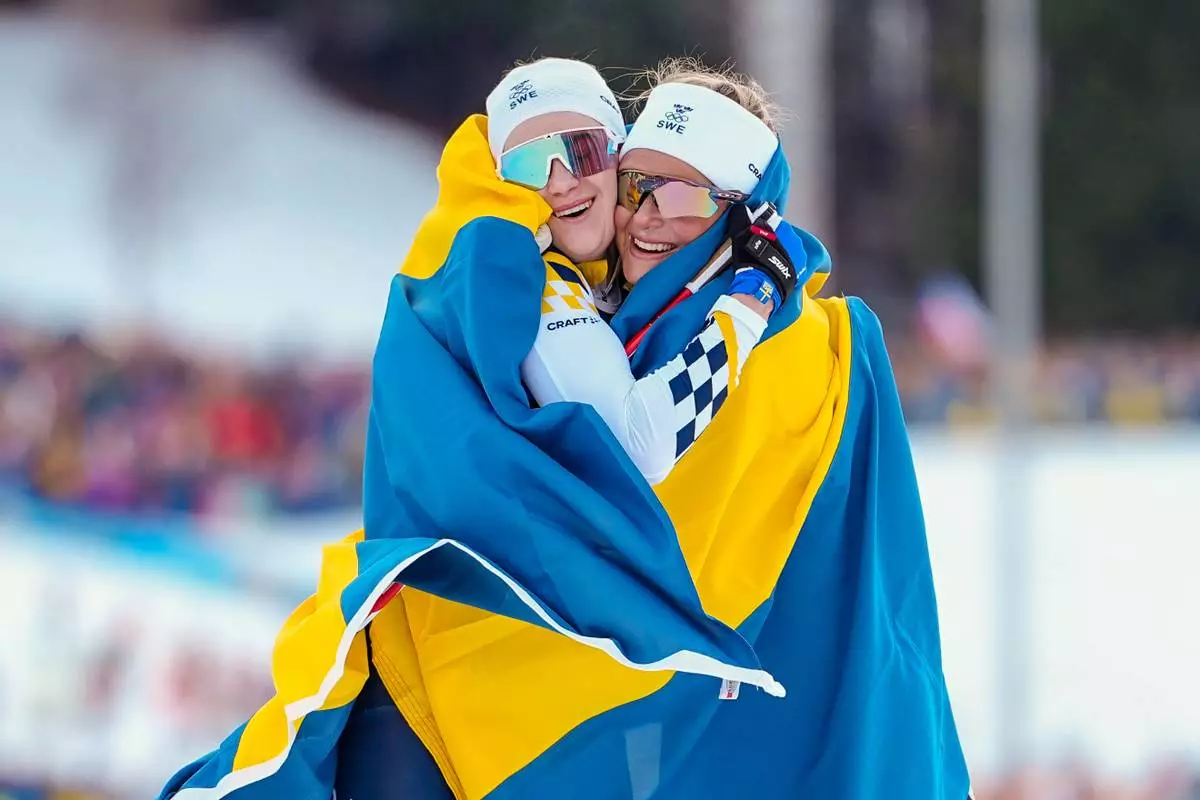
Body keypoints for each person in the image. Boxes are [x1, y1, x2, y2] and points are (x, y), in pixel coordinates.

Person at [487, 58, 795, 483]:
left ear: (740, 217)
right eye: (635, 188)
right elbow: (636, 450)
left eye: (682, 199)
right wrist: (752, 299)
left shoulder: (796, 344)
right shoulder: (537, 275)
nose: (644, 218)